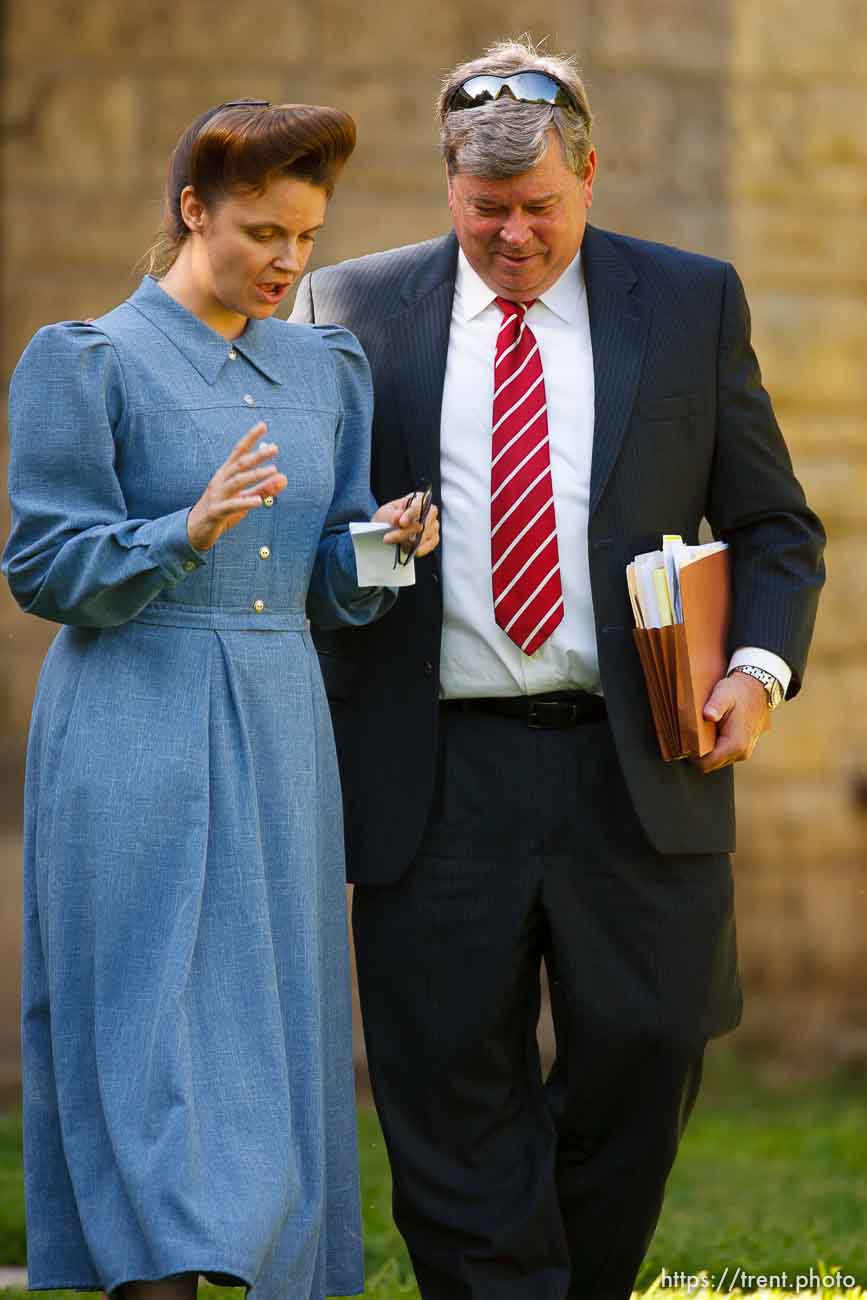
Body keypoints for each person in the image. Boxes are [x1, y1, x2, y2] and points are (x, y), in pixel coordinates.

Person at [290, 37, 826, 1300]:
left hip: (638, 757)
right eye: (486, 212)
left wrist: (755, 670)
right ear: (447, 188)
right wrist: (360, 548)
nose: (513, 237)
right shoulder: (351, 310)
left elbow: (775, 526)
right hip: (434, 771)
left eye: (538, 209)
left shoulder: (692, 301)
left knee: (652, 1044)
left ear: (591, 176)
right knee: (443, 1077)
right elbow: (308, 535)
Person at [2, 99, 438, 1300]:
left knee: (274, 1011)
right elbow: (42, 567)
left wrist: (391, 544)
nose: (288, 264)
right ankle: (161, 1274)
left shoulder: (324, 366)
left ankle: (267, 1261)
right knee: (148, 1013)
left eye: (305, 237)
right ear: (191, 211)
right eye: (261, 234)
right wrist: (178, 530)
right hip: (132, 713)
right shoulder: (84, 361)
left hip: (281, 717)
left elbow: (335, 586)